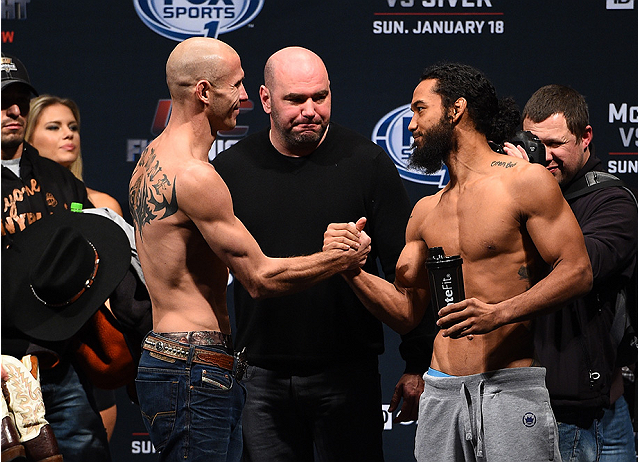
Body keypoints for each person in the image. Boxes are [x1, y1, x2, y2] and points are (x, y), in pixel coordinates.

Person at [325, 63, 593, 462]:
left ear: (456, 110)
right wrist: (349, 269)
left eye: (420, 109)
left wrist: (500, 312)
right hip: (441, 391)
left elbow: (577, 271)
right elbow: (405, 312)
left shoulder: (524, 181)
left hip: (510, 385)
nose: (412, 125)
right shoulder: (425, 211)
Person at [128, 37, 370, 462]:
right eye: (236, 86)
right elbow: (259, 278)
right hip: (193, 366)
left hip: (169, 357)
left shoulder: (150, 160)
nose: (245, 97)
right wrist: (339, 257)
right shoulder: (196, 176)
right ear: (204, 92)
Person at [212, 46, 435, 462]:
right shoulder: (232, 170)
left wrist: (417, 363)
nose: (310, 109)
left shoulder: (366, 163)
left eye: (320, 96)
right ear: (264, 100)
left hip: (348, 375)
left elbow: (409, 271)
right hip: (260, 377)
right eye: (295, 100)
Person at [503, 84, 638, 461]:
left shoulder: (613, 202)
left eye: (555, 144)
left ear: (585, 138)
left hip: (590, 416)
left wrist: (530, 187)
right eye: (534, 143)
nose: (544, 157)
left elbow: (579, 267)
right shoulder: (510, 193)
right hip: (521, 405)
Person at [2, 53, 113, 461]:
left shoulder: (56, 177)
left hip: (60, 364)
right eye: (2, 100)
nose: (12, 110)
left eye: (18, 99)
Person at [26, 94, 123, 216]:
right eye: (54, 127)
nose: (69, 134)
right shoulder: (16, 205)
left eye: (73, 127)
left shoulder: (103, 205)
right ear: (27, 138)